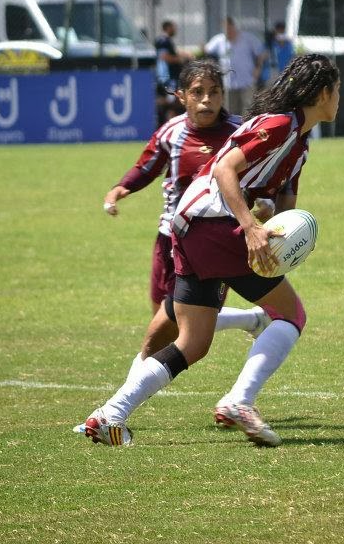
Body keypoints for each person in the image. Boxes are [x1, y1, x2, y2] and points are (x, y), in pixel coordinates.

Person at [82, 54, 340, 448]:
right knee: (291, 314)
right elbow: (224, 170)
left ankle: (109, 415)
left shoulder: (298, 142)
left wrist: (283, 238)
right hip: (214, 224)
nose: (339, 99)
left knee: (193, 343)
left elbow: (286, 205)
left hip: (191, 227)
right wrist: (250, 227)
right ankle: (240, 400)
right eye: (337, 91)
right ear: (322, 93)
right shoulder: (279, 124)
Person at [96, 59, 271, 404]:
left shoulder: (239, 131)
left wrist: (264, 201)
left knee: (175, 323)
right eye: (198, 92)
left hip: (214, 243)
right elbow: (147, 166)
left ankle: (117, 407)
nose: (207, 100)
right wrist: (120, 188)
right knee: (170, 319)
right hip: (170, 239)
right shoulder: (172, 132)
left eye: (214, 92)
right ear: (181, 97)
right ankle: (252, 319)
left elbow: (259, 173)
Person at [204, 16, 266, 113]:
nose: (227, 31)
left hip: (247, 80)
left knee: (249, 109)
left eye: (229, 28)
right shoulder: (219, 40)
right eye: (225, 29)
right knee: (230, 111)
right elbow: (206, 51)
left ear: (233, 26)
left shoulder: (248, 38)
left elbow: (262, 53)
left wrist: (258, 68)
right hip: (228, 83)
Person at [154, 20, 189, 125]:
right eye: (173, 27)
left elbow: (171, 54)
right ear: (168, 28)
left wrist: (183, 54)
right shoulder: (163, 40)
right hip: (167, 78)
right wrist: (180, 59)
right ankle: (168, 124)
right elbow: (164, 57)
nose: (175, 29)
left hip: (169, 78)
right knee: (172, 102)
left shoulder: (167, 41)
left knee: (172, 102)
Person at [260, 21, 296, 88]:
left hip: (285, 72)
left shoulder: (288, 44)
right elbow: (262, 57)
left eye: (282, 30)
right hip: (271, 73)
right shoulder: (269, 44)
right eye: (279, 30)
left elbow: (292, 56)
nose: (280, 32)